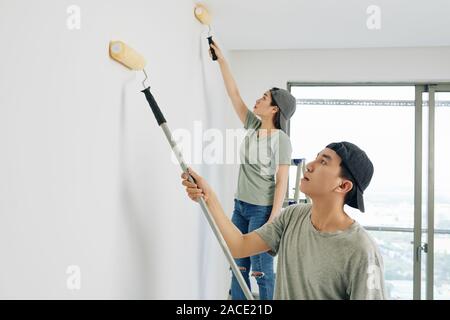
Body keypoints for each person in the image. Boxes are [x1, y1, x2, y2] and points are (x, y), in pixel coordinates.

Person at [181, 141, 387, 299]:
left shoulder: (361, 250)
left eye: (324, 162)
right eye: (316, 158)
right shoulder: (292, 216)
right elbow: (239, 246)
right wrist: (210, 198)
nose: (310, 166)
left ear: (343, 186)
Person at [209, 42, 296, 300]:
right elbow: (234, 95)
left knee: (261, 270)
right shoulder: (253, 125)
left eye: (264, 97)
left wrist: (273, 219)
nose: (258, 99)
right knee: (238, 266)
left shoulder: (281, 139)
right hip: (240, 207)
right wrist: (222, 60)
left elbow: (282, 181)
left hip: (261, 211)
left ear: (274, 109)